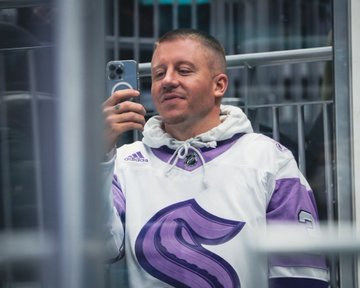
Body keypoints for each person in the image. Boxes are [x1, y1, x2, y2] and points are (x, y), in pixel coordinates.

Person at [101, 29, 329, 288]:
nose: (168, 81)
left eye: (184, 70)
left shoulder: (269, 158)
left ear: (219, 85)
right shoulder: (124, 161)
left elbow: (300, 275)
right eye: (158, 74)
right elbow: (103, 246)